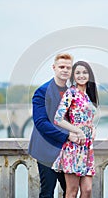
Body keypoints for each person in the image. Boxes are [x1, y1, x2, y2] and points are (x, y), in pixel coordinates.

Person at [28, 53, 86, 198]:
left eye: (68, 67)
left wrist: (88, 129)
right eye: (61, 67)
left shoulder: (72, 92)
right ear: (54, 68)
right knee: (47, 192)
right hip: (46, 149)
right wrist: (68, 136)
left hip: (67, 151)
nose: (65, 70)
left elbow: (77, 119)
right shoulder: (42, 91)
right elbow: (41, 123)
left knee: (70, 191)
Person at [52, 61, 99, 198]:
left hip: (87, 148)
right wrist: (77, 131)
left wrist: (93, 128)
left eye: (84, 72)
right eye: (78, 72)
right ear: (73, 75)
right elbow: (58, 118)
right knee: (72, 192)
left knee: (87, 190)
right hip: (74, 147)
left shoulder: (89, 95)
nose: (81, 75)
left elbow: (87, 118)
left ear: (89, 75)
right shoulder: (70, 93)